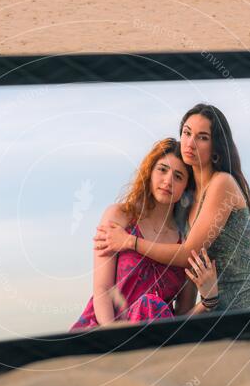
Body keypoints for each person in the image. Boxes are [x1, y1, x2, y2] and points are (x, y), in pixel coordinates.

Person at [94, 104, 250, 311]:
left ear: (215, 147)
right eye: (187, 133)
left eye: (202, 137)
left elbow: (189, 253)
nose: (190, 143)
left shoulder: (222, 183)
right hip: (217, 316)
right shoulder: (187, 201)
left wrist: (130, 241)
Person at [71, 138, 221, 330]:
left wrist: (207, 302)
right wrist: (114, 336)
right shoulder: (120, 216)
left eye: (178, 176)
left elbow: (180, 317)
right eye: (162, 169)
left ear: (186, 187)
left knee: (151, 304)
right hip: (104, 328)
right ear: (149, 171)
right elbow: (102, 289)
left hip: (155, 338)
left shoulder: (186, 242)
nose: (168, 181)